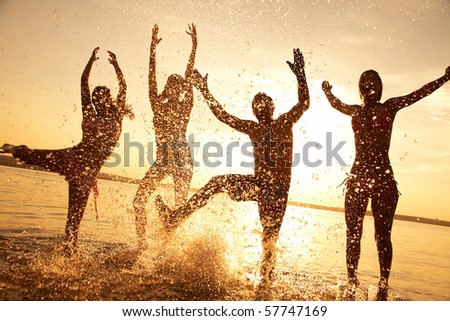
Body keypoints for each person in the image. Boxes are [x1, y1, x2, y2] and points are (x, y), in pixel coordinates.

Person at [156, 49, 309, 293]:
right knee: (218, 183)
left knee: (269, 242)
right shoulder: (253, 128)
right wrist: (205, 91)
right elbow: (223, 116)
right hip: (262, 187)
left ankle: (264, 286)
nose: (260, 105)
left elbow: (304, 103)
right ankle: (176, 217)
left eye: (263, 101)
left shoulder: (284, 122)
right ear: (254, 111)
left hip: (277, 192)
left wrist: (301, 75)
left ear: (271, 106)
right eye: (255, 103)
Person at [322, 66, 450, 300]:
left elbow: (419, 93)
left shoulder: (389, 107)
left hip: (383, 181)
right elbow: (335, 104)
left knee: (383, 236)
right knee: (353, 235)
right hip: (358, 179)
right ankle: (352, 282)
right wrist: (327, 92)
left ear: (380, 88)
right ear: (360, 89)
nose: (369, 85)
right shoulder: (354, 111)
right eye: (364, 81)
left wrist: (444, 78)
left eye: (373, 81)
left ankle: (383, 284)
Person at [8, 47, 134, 255]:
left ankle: (69, 260)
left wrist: (116, 66)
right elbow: (83, 83)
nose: (97, 101)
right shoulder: (88, 110)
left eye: (101, 97)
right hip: (71, 157)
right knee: (30, 155)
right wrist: (90, 62)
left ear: (109, 99)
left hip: (86, 175)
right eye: (95, 98)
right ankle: (9, 147)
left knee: (72, 226)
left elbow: (124, 86)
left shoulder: (116, 115)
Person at [133, 24, 198, 250]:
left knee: (180, 209)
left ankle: (170, 250)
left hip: (182, 162)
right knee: (139, 200)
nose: (175, 88)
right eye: (171, 84)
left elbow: (189, 76)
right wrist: (152, 50)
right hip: (163, 161)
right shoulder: (157, 106)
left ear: (181, 90)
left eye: (178, 86)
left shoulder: (185, 107)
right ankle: (142, 247)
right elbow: (151, 79)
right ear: (167, 87)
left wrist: (194, 46)